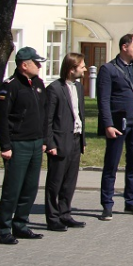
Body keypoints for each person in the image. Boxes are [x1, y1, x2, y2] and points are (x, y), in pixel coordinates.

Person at [0, 46, 49, 245]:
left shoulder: (38, 84)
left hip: (36, 143)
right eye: (36, 63)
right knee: (12, 189)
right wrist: (5, 146)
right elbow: (1, 119)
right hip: (18, 144)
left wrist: (44, 139)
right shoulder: (9, 86)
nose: (40, 66)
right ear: (24, 65)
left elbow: (44, 115)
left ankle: (21, 224)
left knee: (30, 187)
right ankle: (4, 228)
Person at [96, 34, 133, 220]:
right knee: (111, 164)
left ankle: (131, 201)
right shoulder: (108, 69)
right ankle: (107, 204)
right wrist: (108, 124)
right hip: (117, 123)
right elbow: (103, 100)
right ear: (124, 47)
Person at [43, 53, 88, 231]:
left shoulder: (78, 88)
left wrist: (83, 139)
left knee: (70, 180)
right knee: (55, 182)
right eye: (82, 66)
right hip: (60, 141)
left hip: (75, 139)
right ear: (71, 69)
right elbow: (47, 119)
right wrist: (50, 143)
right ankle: (53, 217)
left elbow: (80, 114)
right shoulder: (54, 89)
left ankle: (65, 213)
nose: (85, 69)